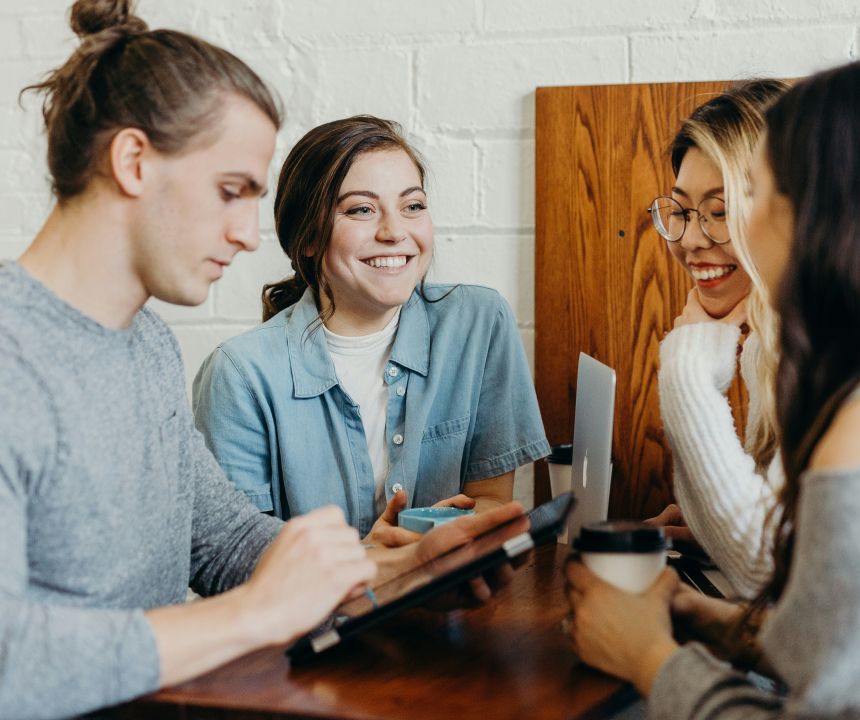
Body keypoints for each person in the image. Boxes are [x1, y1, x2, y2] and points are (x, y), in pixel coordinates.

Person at [0, 4, 523, 718]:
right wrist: (257, 615)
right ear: (132, 162)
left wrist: (395, 573)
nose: (250, 236)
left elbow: (224, 541)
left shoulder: (144, 345)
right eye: (229, 192)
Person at [567, 57, 860, 717]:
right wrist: (728, 630)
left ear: (834, 211)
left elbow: (773, 579)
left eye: (752, 195)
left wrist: (650, 658)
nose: (702, 238)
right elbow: (850, 648)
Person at [193, 115, 550, 546]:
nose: (395, 231)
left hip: (450, 603)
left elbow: (491, 501)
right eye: (361, 209)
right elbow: (239, 561)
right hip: (318, 614)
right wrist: (372, 561)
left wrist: (434, 539)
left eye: (412, 206)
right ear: (307, 237)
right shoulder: (239, 375)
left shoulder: (478, 323)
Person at [645, 80, 789, 598]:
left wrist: (686, 368)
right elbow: (778, 549)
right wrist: (711, 527)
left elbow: (765, 571)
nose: (690, 239)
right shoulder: (768, 344)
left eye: (721, 211)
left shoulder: (831, 350)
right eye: (681, 211)